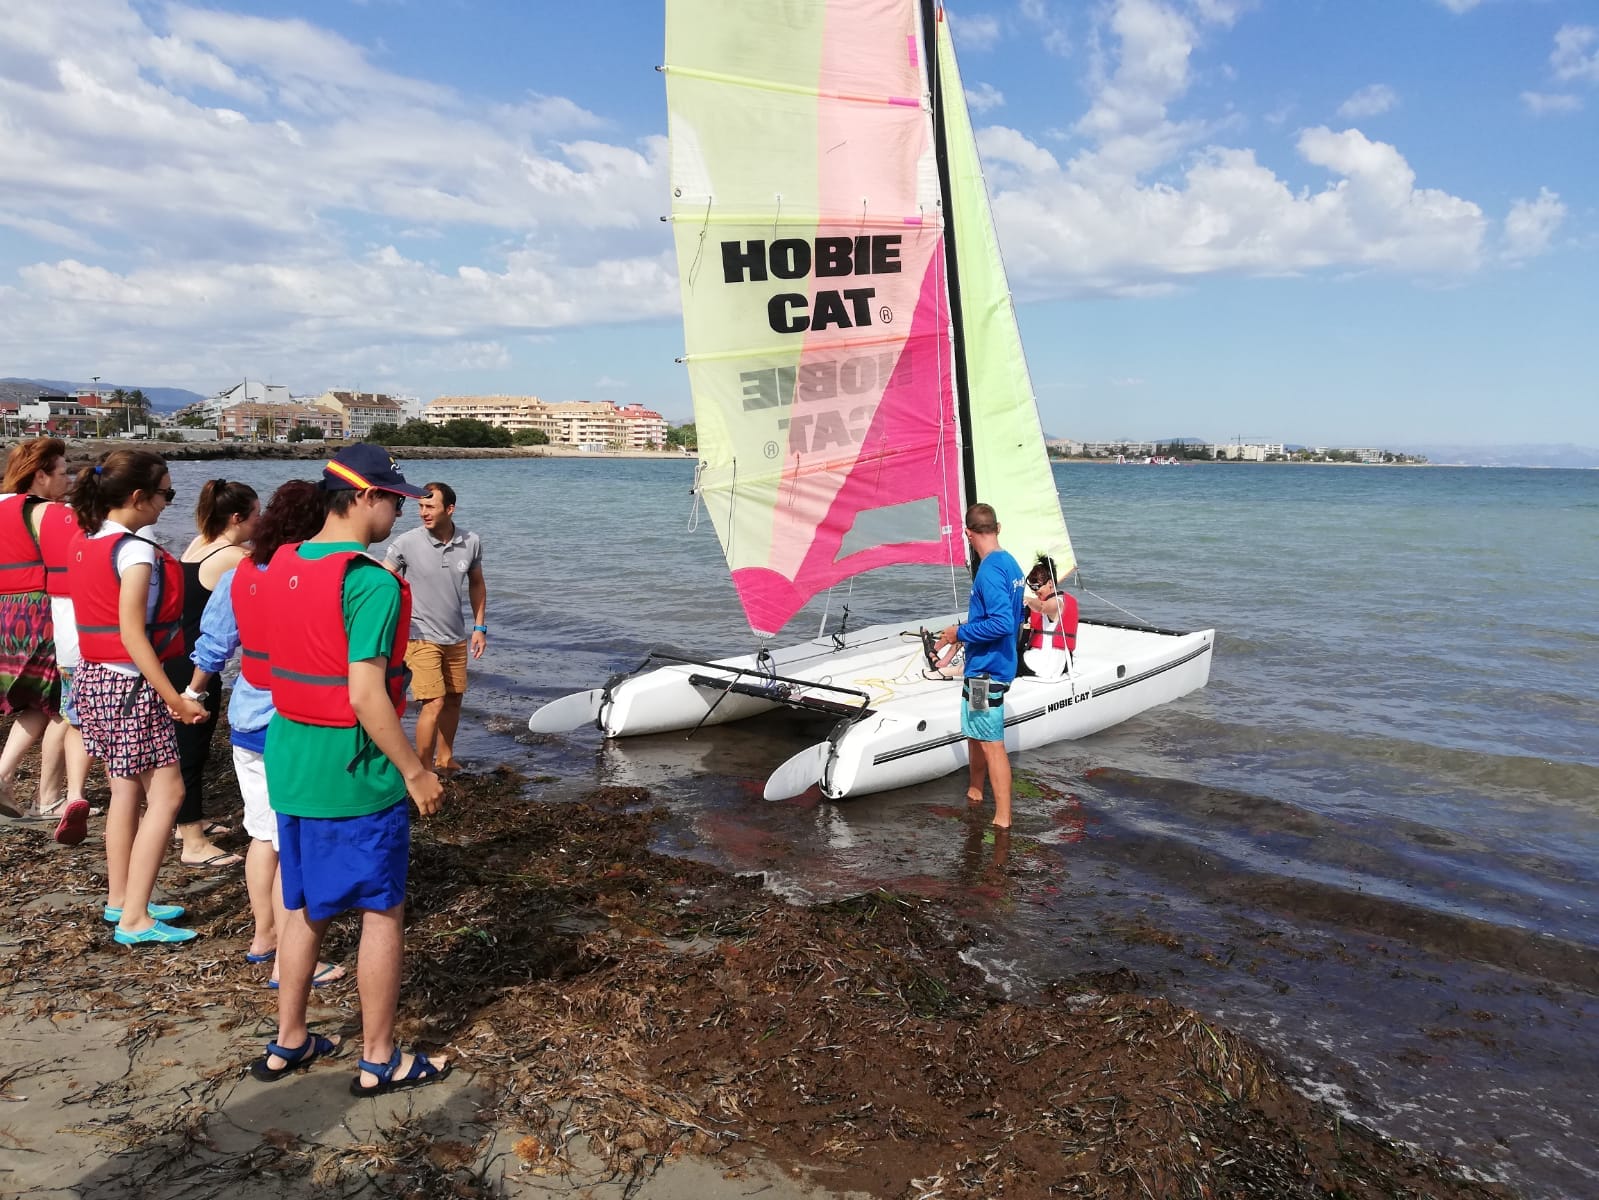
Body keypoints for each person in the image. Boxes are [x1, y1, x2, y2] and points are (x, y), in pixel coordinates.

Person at [251, 444, 447, 1094]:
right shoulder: (369, 582)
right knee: (380, 910)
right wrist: (415, 771)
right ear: (362, 496)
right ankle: (379, 1058)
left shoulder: (281, 562)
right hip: (354, 771)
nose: (400, 507)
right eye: (392, 496)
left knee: (303, 905)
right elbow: (367, 695)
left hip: (290, 758)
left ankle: (289, 1041)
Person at [186, 480, 345, 990]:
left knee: (262, 835)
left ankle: (264, 937)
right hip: (289, 724)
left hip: (245, 717)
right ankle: (288, 961)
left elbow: (214, 642)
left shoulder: (242, 571)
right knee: (291, 842)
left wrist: (193, 694)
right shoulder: (304, 576)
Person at [68, 450, 207, 945]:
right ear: (137, 498)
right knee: (167, 794)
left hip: (93, 677)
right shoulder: (135, 551)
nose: (169, 503)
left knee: (126, 788)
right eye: (166, 493)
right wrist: (174, 697)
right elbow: (133, 633)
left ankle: (121, 899)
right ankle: (134, 922)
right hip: (128, 683)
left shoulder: (85, 539)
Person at [166, 479, 259, 869]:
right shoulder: (233, 555)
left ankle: (189, 818)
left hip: (176, 652)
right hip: (195, 662)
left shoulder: (198, 543)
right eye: (257, 516)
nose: (261, 523)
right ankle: (192, 841)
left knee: (188, 747)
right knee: (190, 749)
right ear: (237, 518)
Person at [382, 481, 486, 773]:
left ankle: (445, 758)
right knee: (434, 702)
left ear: (450, 509)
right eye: (420, 506)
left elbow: (477, 584)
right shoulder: (406, 542)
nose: (423, 512)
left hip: (456, 636)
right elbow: (382, 583)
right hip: (419, 636)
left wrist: (480, 628)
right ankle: (422, 769)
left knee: (454, 699)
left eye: (430, 506)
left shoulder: (472, 541)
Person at [934, 502, 1025, 829]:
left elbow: (1001, 623)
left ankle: (1003, 819)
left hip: (987, 672)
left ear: (967, 533)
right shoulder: (1011, 564)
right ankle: (975, 791)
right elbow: (1015, 616)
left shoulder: (988, 571)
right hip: (990, 666)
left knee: (991, 742)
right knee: (976, 733)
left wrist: (960, 631)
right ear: (997, 528)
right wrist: (962, 639)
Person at [0, 438, 71, 831]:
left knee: (37, 703)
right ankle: (48, 796)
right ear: (40, 475)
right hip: (39, 610)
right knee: (60, 700)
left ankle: (25, 785)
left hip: (5, 613)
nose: (68, 479)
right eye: (63, 472)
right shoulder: (44, 511)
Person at [1019, 556, 1077, 682]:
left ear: (1050, 583)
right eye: (1032, 588)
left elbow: (1042, 607)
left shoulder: (1057, 603)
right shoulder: (1043, 600)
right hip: (1049, 659)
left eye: (1037, 587)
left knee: (1002, 659)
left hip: (1047, 663)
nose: (1035, 592)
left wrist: (1027, 600)